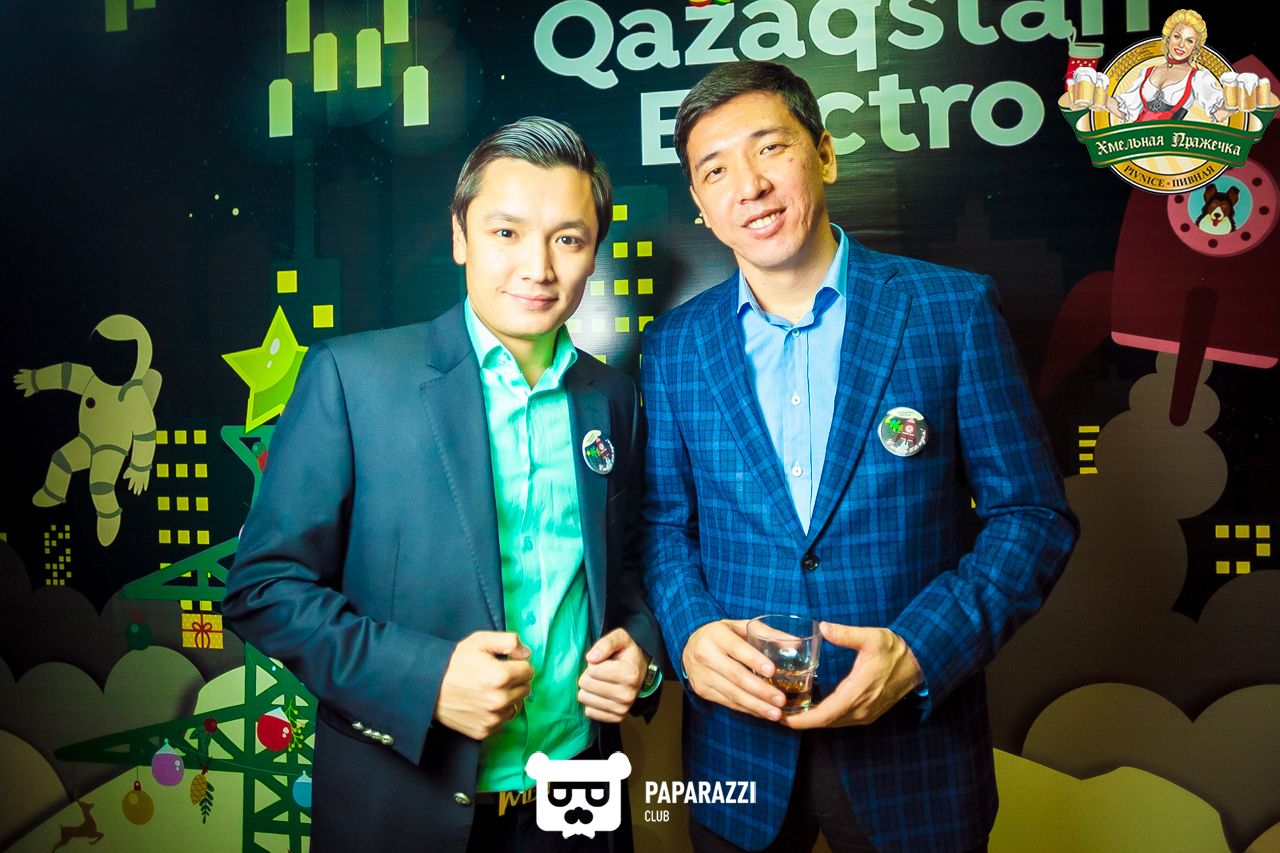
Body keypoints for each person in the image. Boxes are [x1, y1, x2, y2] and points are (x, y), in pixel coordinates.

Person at [641, 61, 1078, 853]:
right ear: (701, 203)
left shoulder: (951, 309)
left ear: (826, 155)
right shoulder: (673, 345)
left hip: (916, 756)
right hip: (736, 755)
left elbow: (1032, 516)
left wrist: (920, 651)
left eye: (770, 148)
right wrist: (690, 629)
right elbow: (663, 526)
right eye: (716, 170)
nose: (750, 186)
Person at [224, 117, 663, 853]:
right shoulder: (353, 379)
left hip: (575, 806)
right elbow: (263, 589)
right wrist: (425, 680)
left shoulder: (613, 398)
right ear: (461, 236)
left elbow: (625, 571)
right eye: (506, 233)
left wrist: (640, 652)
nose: (537, 268)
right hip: (404, 805)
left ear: (594, 253)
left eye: (567, 238)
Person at [1106, 9, 1229, 123]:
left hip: (1168, 139)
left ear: (1195, 47)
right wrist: (1101, 97)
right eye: (1177, 36)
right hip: (1138, 138)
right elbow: (1124, 111)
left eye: (1189, 41)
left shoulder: (1198, 78)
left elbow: (1219, 114)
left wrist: (1235, 100)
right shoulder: (1147, 72)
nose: (1181, 45)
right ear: (1168, 37)